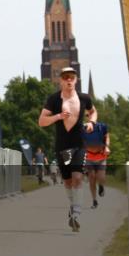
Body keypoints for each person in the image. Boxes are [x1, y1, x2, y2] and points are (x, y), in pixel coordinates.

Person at [38, 67, 96, 231]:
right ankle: (73, 206)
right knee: (68, 181)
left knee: (77, 177)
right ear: (60, 80)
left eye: (71, 77)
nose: (69, 80)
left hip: (79, 145)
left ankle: (76, 214)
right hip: (63, 147)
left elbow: (93, 112)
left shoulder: (84, 98)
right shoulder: (54, 99)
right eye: (65, 77)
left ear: (76, 79)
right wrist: (58, 116)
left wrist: (91, 122)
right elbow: (41, 121)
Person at [82, 110, 110, 208]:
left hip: (101, 156)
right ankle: (94, 201)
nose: (88, 117)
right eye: (86, 115)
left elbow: (107, 137)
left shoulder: (102, 127)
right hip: (89, 157)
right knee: (92, 178)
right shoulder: (83, 128)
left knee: (101, 177)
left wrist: (106, 146)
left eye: (90, 114)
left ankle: (101, 186)